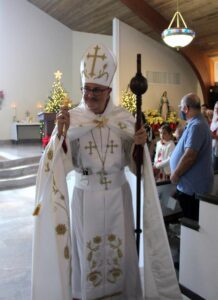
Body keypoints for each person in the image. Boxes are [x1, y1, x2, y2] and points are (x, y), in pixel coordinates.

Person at [31, 44, 181, 300]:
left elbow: (136, 164)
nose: (89, 95)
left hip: (117, 196)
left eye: (96, 90)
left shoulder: (123, 119)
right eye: (86, 89)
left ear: (109, 90)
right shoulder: (73, 118)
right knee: (85, 253)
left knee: (119, 254)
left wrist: (138, 143)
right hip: (85, 197)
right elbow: (60, 161)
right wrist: (61, 135)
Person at [170, 93, 213, 221]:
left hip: (193, 189)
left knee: (193, 222)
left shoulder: (197, 126)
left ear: (187, 108)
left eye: (181, 107)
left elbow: (190, 156)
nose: (180, 110)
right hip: (189, 187)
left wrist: (176, 174)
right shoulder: (194, 123)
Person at [210, 101, 218, 170]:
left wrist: (213, 136)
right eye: (215, 108)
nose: (216, 110)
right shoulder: (214, 119)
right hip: (213, 145)